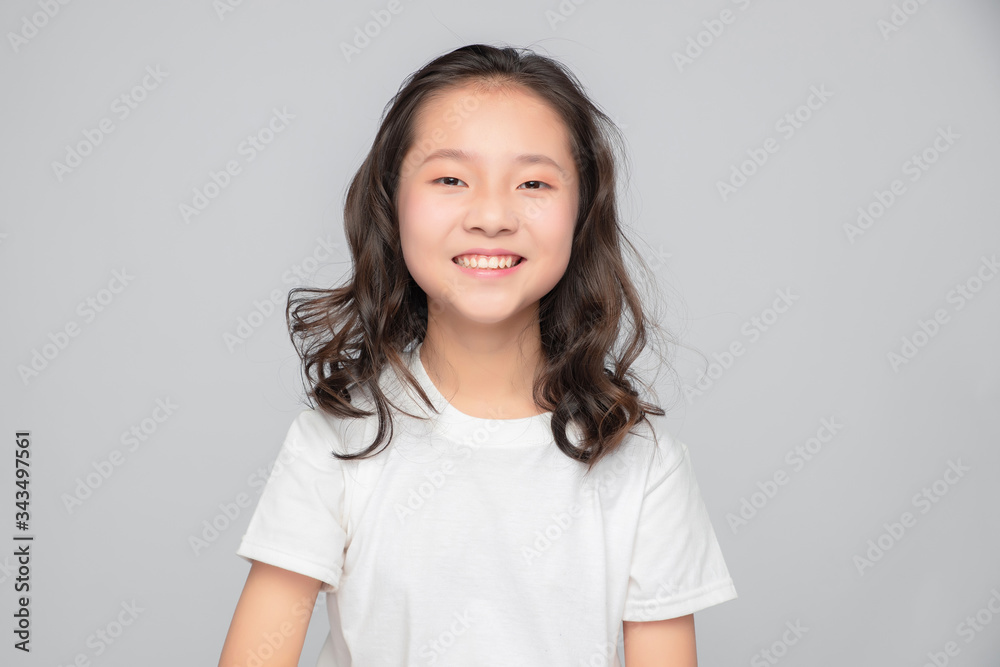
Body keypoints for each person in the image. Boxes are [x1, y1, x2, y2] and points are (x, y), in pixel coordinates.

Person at [219, 43, 737, 667]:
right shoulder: (336, 443)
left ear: (581, 213)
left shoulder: (644, 466)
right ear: (392, 203)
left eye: (533, 183)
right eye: (450, 179)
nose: (492, 216)